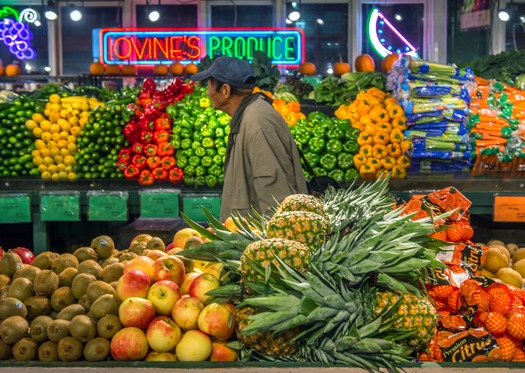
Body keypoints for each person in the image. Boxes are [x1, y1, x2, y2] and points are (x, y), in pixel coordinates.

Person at [191, 56, 308, 222]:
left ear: (225, 90)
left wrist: (272, 243)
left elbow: (274, 195)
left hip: (262, 241)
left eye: (209, 84)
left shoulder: (258, 123)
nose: (208, 92)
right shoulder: (248, 116)